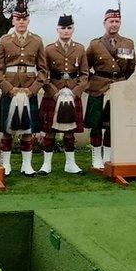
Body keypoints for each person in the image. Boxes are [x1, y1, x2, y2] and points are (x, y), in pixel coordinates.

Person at [0, 0, 47, 177]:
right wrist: (8, 88)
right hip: (10, 90)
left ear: (28, 20)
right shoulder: (5, 40)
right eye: (18, 19)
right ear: (13, 20)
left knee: (28, 130)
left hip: (29, 90)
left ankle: (27, 165)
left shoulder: (37, 41)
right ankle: (5, 164)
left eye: (24, 19)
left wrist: (33, 90)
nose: (21, 22)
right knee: (7, 130)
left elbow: (43, 70)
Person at [84, 0, 136, 168]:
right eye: (111, 21)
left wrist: (120, 82)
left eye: (117, 21)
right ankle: (96, 158)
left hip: (119, 87)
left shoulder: (128, 43)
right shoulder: (95, 44)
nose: (114, 24)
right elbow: (84, 68)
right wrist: (94, 82)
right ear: (104, 23)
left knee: (114, 125)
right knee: (97, 124)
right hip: (99, 88)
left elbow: (130, 68)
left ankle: (108, 156)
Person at [39, 14, 88, 174]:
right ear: (57, 30)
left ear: (73, 29)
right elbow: (43, 74)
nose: (66, 31)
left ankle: (70, 164)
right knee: (49, 131)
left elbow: (85, 74)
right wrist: (54, 93)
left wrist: (76, 92)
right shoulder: (48, 49)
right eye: (63, 28)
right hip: (54, 93)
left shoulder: (80, 48)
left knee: (69, 132)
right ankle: (47, 164)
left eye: (69, 28)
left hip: (72, 93)